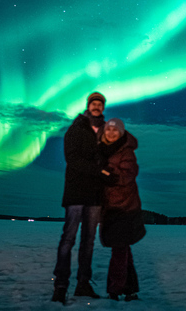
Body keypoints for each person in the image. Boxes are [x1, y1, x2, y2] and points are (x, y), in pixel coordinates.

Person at [51, 91, 116, 304]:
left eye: (100, 104)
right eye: (93, 103)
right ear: (88, 106)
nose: (97, 106)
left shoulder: (107, 132)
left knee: (88, 242)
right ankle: (61, 286)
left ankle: (83, 284)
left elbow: (109, 161)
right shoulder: (76, 129)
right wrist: (100, 171)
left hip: (95, 196)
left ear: (103, 107)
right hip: (76, 193)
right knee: (68, 240)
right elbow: (73, 159)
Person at [97, 118, 146, 301]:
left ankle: (115, 289)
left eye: (115, 131)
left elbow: (128, 174)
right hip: (109, 207)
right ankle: (130, 290)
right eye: (108, 130)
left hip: (124, 207)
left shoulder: (126, 151)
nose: (111, 133)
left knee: (119, 249)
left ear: (121, 133)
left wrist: (107, 174)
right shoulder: (101, 150)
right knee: (123, 249)